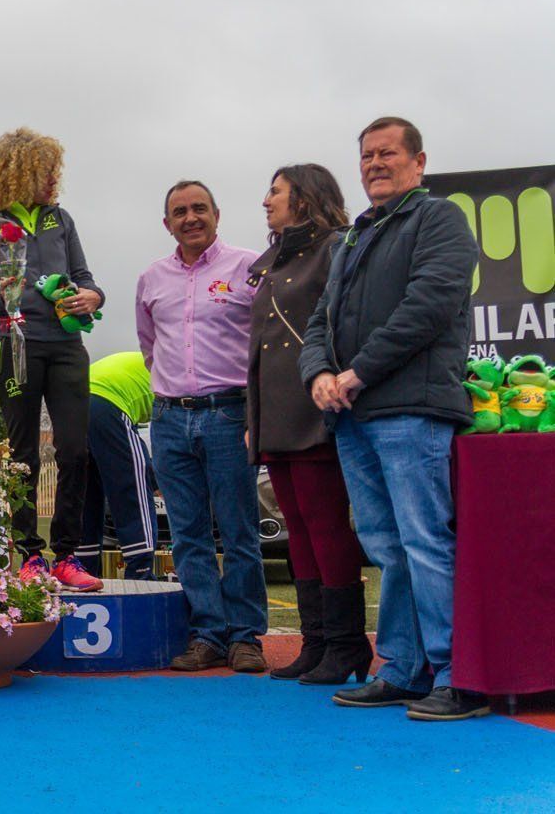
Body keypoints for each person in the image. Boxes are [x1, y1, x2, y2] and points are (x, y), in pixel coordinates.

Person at [300, 117, 483, 720]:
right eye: (367, 156)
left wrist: (358, 372)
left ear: (418, 161)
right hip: (354, 417)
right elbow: (320, 320)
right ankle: (403, 669)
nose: (375, 164)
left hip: (410, 410)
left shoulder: (439, 219)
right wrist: (319, 373)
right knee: (387, 548)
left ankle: (459, 677)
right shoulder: (355, 237)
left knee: (425, 542)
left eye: (388, 154)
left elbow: (429, 305)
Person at [0, 128, 104, 591]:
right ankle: (30, 557)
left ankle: (67, 555)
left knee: (74, 450)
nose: (54, 179)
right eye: (46, 171)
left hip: (65, 346)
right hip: (12, 344)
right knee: (22, 457)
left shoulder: (61, 219)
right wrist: (1, 298)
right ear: (19, 171)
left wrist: (91, 298)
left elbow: (87, 280)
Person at [137, 180, 268, 673]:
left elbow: (263, 341)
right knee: (187, 534)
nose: (190, 218)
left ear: (217, 213)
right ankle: (208, 634)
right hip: (170, 417)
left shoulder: (247, 266)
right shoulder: (151, 278)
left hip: (229, 413)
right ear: (166, 223)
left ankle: (246, 637)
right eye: (179, 211)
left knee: (239, 531)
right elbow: (150, 345)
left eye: (199, 209)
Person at [246, 164, 369, 684]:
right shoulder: (274, 258)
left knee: (324, 523)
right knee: (296, 528)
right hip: (275, 407)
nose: (266, 200)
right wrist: (254, 415)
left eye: (275, 191)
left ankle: (346, 646)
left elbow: (343, 321)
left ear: (305, 196)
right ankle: (316, 643)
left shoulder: (338, 245)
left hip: (314, 404)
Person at [75, 351, 159, 581]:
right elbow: (167, 441)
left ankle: (83, 570)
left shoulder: (142, 361)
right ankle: (141, 572)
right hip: (107, 402)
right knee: (133, 486)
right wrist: (156, 482)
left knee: (86, 493)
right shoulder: (174, 379)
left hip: (72, 403)